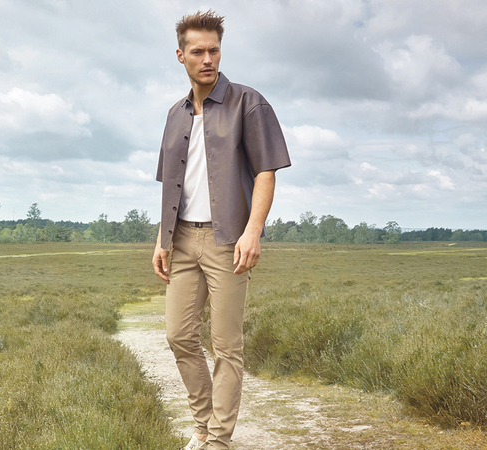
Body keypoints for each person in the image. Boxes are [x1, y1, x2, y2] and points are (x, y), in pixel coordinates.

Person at [151, 9, 291, 450]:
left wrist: (253, 231)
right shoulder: (174, 115)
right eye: (198, 52)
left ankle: (218, 441)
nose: (207, 59)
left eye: (214, 50)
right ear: (181, 56)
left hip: (228, 239)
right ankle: (203, 423)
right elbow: (171, 184)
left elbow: (266, 172)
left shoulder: (249, 103)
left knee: (226, 345)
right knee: (178, 336)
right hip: (181, 240)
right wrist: (161, 239)